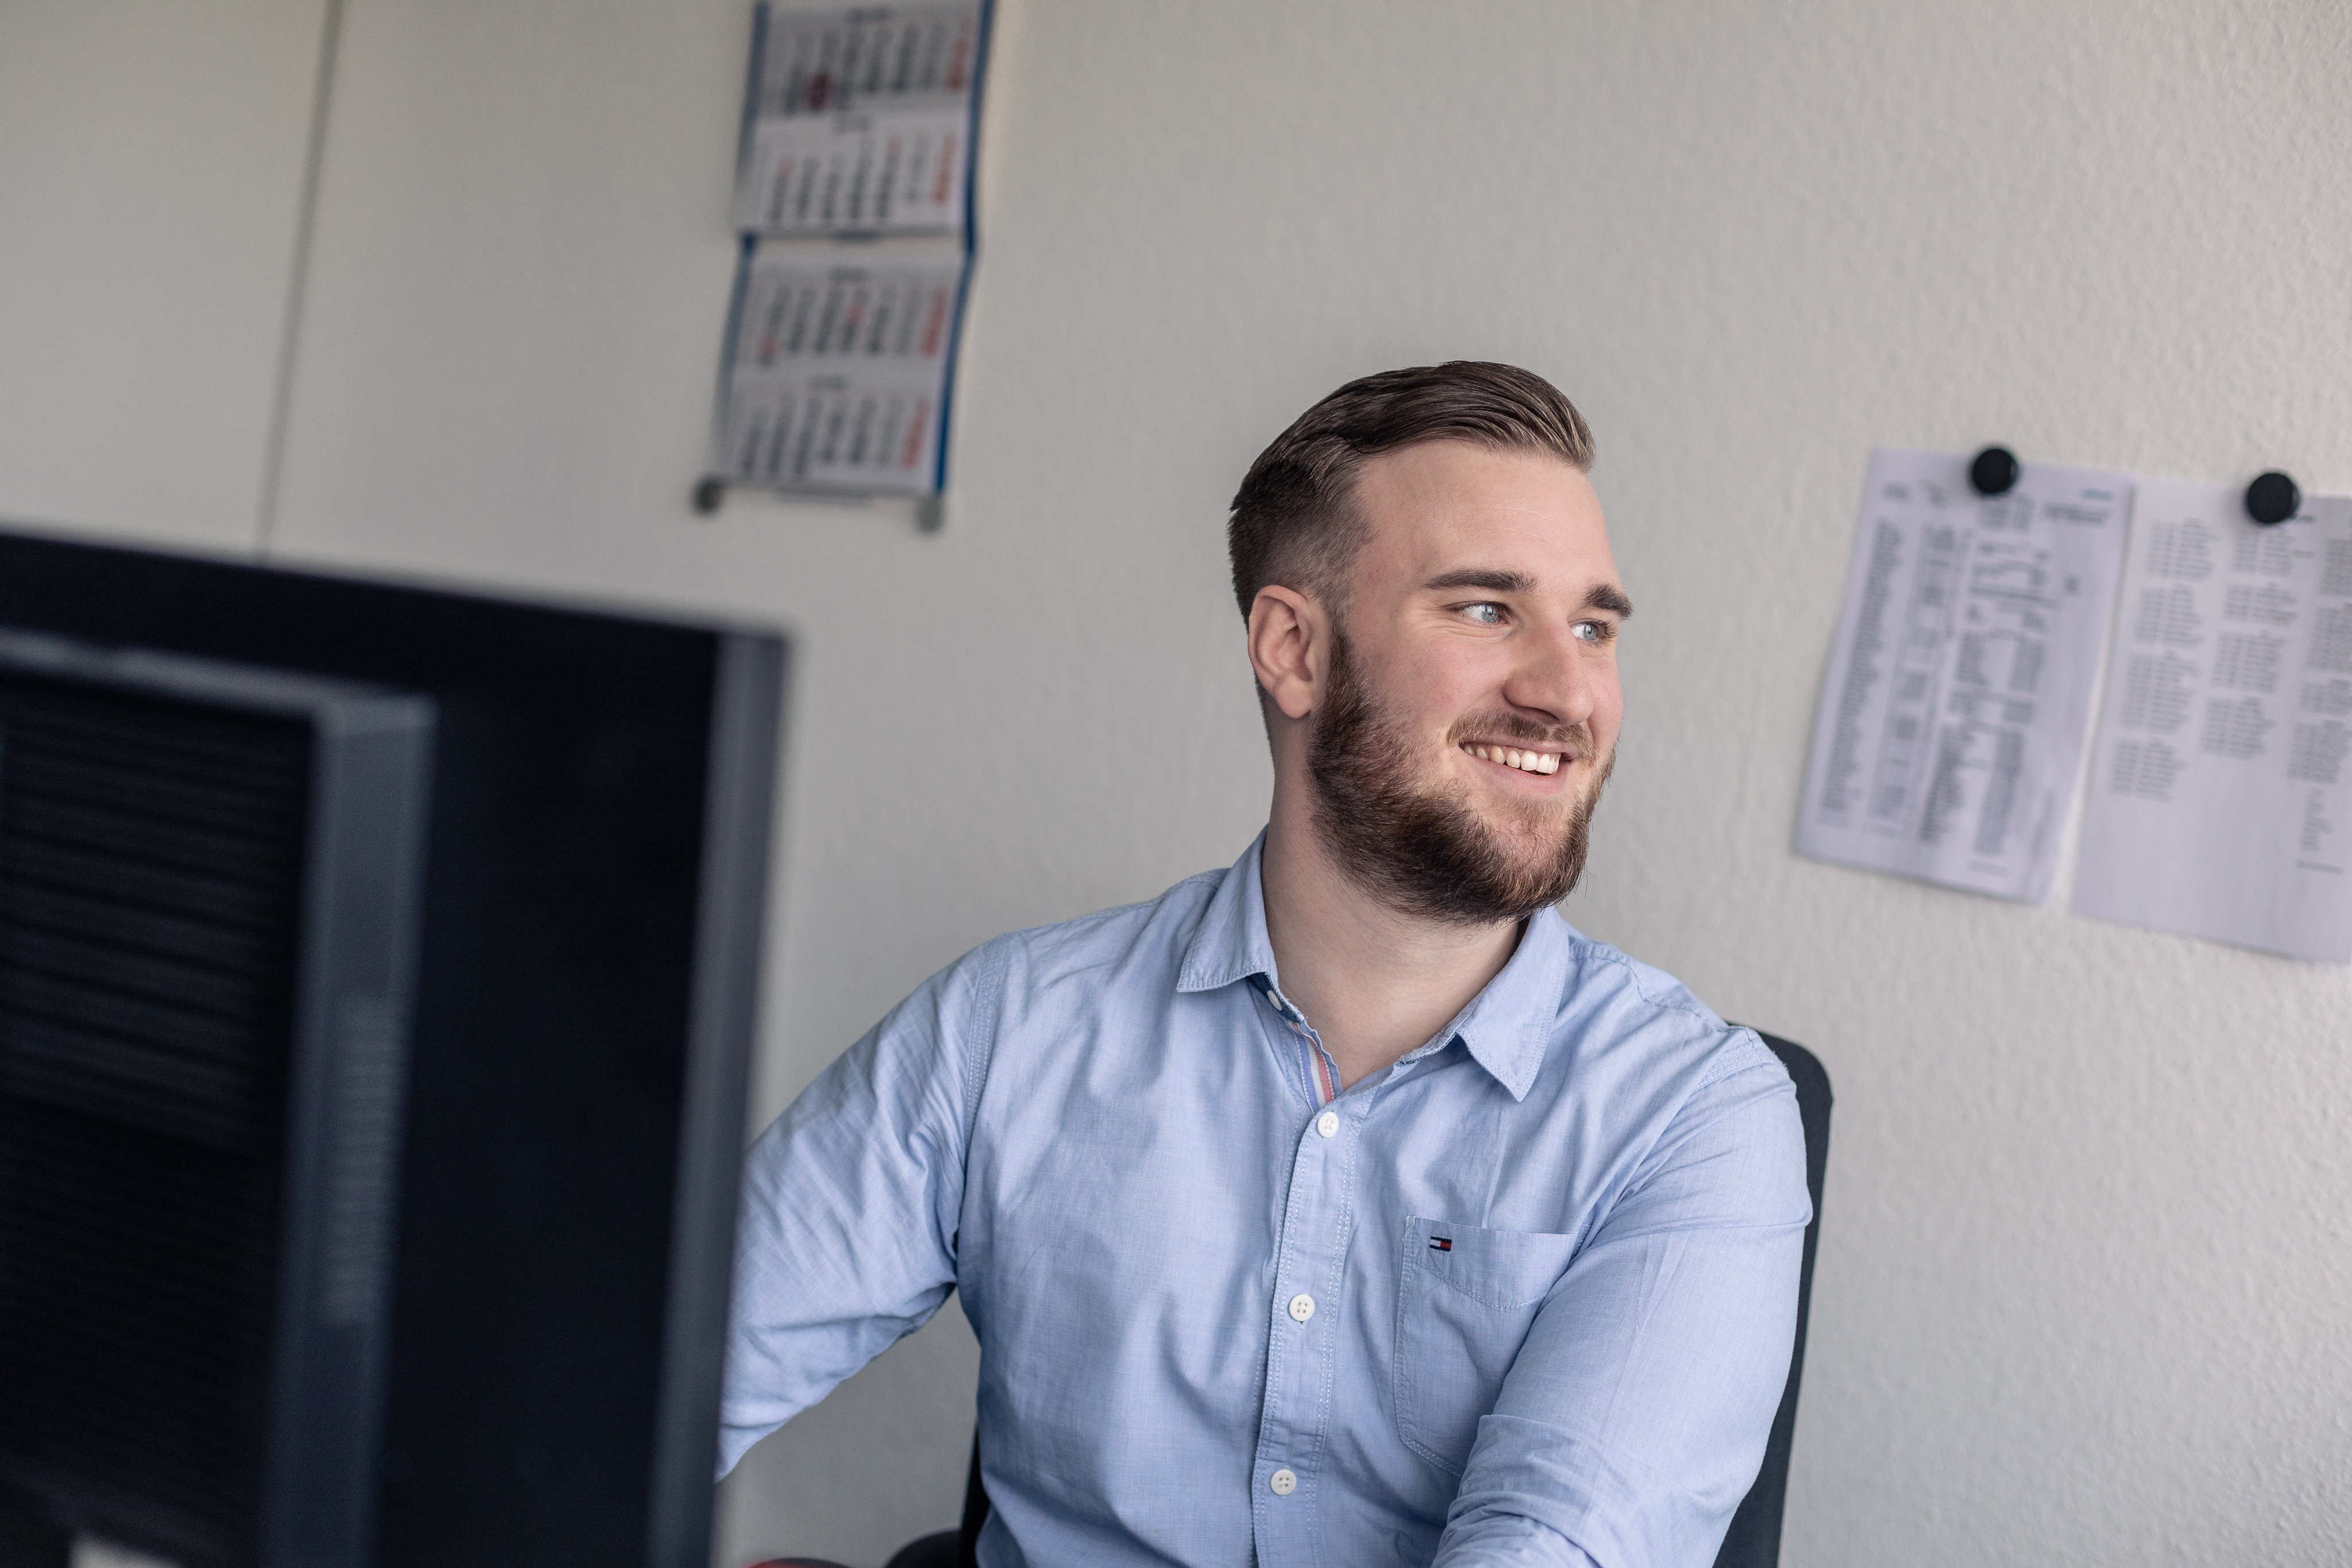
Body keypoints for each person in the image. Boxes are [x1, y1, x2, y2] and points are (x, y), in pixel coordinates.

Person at [721, 362, 1811, 1567]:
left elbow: (1554, 1544)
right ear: (1291, 648)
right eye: (1484, 609)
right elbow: (643, 1378)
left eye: (1592, 625)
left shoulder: (1696, 1113)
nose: (1567, 690)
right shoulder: (1007, 1028)